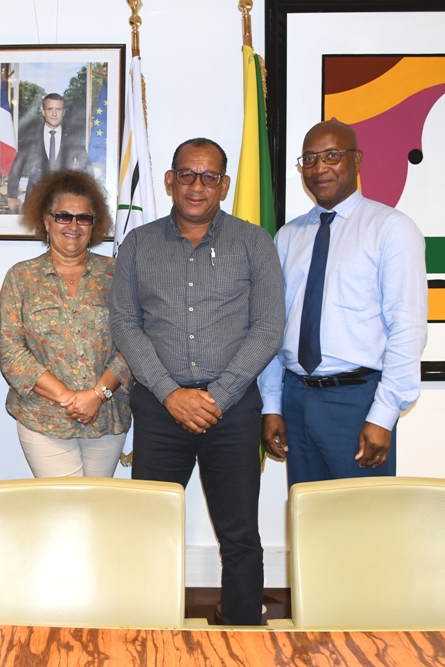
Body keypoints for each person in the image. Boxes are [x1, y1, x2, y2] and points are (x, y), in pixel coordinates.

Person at [109, 138, 285, 625]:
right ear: (170, 180)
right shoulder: (138, 245)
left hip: (233, 409)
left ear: (225, 185)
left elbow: (269, 327)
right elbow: (124, 323)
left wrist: (218, 396)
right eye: (187, 174)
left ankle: (242, 634)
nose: (197, 186)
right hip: (159, 407)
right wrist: (170, 393)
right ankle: (147, 630)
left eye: (209, 177)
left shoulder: (254, 243)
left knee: (240, 534)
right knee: (150, 527)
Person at [259, 120, 428, 485]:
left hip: (357, 402)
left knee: (362, 515)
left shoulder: (391, 229)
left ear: (357, 160)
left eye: (332, 156)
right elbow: (272, 327)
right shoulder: (287, 237)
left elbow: (407, 327)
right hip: (295, 397)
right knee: (307, 512)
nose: (319, 167)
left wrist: (383, 415)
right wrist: (271, 405)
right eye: (309, 159)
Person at [0, 171, 132, 477]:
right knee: (63, 503)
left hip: (105, 416)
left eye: (83, 218)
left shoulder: (117, 274)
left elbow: (134, 341)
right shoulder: (21, 277)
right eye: (63, 216)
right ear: (46, 221)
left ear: (94, 225)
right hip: (43, 418)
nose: (73, 225)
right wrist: (70, 399)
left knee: (97, 502)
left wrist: (97, 395)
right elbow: (12, 353)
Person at [6, 93, 92, 212]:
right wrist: (12, 195)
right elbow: (17, 167)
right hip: (34, 202)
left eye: (58, 109)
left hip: (65, 204)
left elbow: (86, 168)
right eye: (50, 109)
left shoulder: (73, 137)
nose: (54, 113)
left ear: (63, 112)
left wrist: (90, 196)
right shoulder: (31, 136)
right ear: (43, 111)